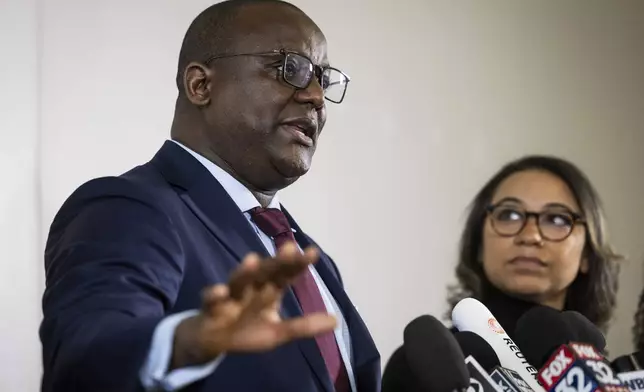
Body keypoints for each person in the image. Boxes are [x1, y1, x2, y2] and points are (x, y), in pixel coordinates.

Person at [39, 1, 380, 391]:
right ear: (201, 85)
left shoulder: (311, 259)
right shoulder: (127, 209)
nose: (316, 97)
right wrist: (185, 342)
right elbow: (85, 357)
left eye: (322, 78)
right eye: (290, 68)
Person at [446, 155, 622, 337]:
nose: (530, 236)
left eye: (557, 219)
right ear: (479, 243)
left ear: (587, 253)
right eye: (509, 215)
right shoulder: (431, 361)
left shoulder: (598, 364)